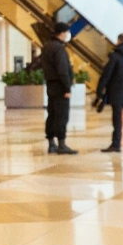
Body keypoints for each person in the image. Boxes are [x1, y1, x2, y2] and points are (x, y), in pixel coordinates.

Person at [96, 33, 123, 153]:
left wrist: (100, 90)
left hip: (117, 92)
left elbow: (107, 74)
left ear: (119, 40)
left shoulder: (115, 56)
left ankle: (116, 144)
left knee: (117, 120)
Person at [42, 20, 77, 154]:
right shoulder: (59, 48)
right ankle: (62, 144)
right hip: (60, 86)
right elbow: (62, 69)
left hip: (51, 85)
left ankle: (51, 143)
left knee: (52, 113)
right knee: (62, 115)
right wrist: (67, 88)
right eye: (67, 32)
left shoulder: (46, 46)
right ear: (62, 33)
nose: (68, 34)